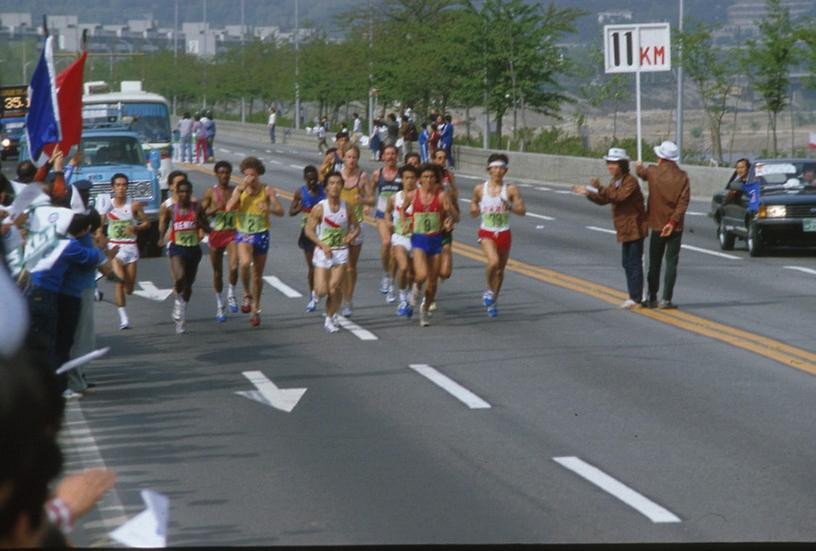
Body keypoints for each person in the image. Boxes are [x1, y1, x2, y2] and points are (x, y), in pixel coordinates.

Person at [572, 148, 646, 310]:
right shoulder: (616, 181)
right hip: (624, 228)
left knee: (633, 263)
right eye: (609, 163)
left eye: (614, 163)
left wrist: (598, 188)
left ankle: (636, 297)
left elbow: (617, 197)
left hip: (634, 227)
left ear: (622, 164)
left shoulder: (630, 182)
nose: (610, 166)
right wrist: (588, 192)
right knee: (627, 263)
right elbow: (605, 199)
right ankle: (633, 296)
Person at [226, 156, 284, 327]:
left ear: (258, 174)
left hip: (261, 233)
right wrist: (239, 192)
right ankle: (246, 293)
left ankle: (256, 309)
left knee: (258, 275)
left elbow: (281, 211)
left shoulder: (267, 190)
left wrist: (270, 209)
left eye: (253, 175)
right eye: (247, 175)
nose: (250, 179)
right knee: (244, 263)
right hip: (244, 233)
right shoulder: (239, 189)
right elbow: (228, 208)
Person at [469, 153, 526, 317]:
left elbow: (522, 211)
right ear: (489, 170)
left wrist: (510, 207)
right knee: (493, 262)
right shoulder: (480, 189)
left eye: (501, 168)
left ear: (506, 171)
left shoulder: (511, 189)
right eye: (495, 168)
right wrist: (474, 209)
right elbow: (473, 204)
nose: (498, 171)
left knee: (500, 271)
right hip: (487, 231)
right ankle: (488, 290)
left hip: (504, 232)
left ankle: (494, 300)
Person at [636, 140, 691, 309]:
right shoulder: (683, 176)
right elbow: (683, 202)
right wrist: (673, 221)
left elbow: (641, 173)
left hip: (657, 223)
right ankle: (666, 299)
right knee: (671, 262)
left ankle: (652, 296)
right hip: (675, 226)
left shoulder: (653, 172)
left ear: (660, 157)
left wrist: (638, 166)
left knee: (655, 262)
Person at [304, 172, 360, 333]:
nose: (335, 186)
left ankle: (329, 318)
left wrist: (350, 236)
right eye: (332, 183)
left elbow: (356, 227)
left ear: (342, 186)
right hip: (323, 252)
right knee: (323, 290)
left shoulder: (347, 207)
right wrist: (322, 244)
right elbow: (309, 230)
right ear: (327, 187)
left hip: (341, 252)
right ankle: (316, 293)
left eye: (338, 183)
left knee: (334, 287)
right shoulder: (320, 208)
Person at [97, 173, 150, 330]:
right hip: (116, 248)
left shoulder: (134, 205)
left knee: (129, 289)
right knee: (119, 283)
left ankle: (121, 297)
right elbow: (99, 229)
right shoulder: (108, 206)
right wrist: (103, 243)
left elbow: (147, 223)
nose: (121, 188)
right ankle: (124, 319)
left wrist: (137, 227)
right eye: (118, 185)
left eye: (124, 185)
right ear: (112, 188)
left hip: (131, 247)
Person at [158, 179, 211, 334]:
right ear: (176, 193)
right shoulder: (171, 209)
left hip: (194, 249)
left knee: (188, 285)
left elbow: (208, 228)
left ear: (190, 192)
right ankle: (178, 306)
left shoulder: (197, 208)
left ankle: (181, 310)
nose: (184, 194)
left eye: (187, 192)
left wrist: (200, 222)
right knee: (179, 277)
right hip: (177, 247)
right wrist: (161, 238)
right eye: (181, 192)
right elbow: (164, 224)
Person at [409, 163, 456, 327]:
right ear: (420, 179)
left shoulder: (442, 196)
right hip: (419, 239)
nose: (428, 180)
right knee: (421, 275)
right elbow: (401, 210)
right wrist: (405, 222)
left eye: (431, 177)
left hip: (436, 239)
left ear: (436, 179)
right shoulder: (414, 194)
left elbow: (453, 216)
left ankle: (424, 309)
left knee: (433, 281)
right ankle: (414, 291)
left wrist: (450, 218)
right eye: (425, 177)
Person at [201, 161, 239, 322]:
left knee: (234, 265)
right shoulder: (211, 192)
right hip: (216, 233)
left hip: (232, 233)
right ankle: (219, 305)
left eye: (227, 173)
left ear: (230, 174)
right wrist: (216, 209)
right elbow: (201, 214)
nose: (224, 176)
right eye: (221, 173)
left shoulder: (235, 191)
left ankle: (231, 294)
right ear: (216, 174)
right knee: (217, 272)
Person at [338, 145, 370, 317]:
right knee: (340, 265)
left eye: (354, 158)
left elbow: (372, 198)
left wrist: (364, 200)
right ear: (344, 158)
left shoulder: (363, 176)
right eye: (349, 157)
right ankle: (341, 296)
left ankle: (348, 299)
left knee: (351, 266)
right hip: (339, 225)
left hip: (356, 225)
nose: (351, 161)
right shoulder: (337, 175)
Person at [290, 165, 326, 312]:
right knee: (312, 267)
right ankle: (313, 295)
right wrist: (301, 207)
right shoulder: (301, 192)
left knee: (323, 266)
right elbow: (291, 211)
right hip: (307, 233)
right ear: (305, 179)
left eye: (314, 179)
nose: (312, 182)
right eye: (309, 179)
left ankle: (322, 291)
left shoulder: (324, 191)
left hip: (323, 232)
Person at [370, 144, 402, 303]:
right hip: (382, 214)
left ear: (397, 156)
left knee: (396, 251)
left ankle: (391, 281)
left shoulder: (403, 174)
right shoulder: (377, 174)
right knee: (386, 242)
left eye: (392, 154)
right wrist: (367, 205)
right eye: (387, 154)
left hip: (399, 216)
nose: (390, 157)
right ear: (382, 157)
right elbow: (371, 191)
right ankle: (386, 273)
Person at [385, 164, 418, 318]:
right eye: (406, 178)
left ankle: (410, 297)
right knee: (403, 267)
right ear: (402, 179)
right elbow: (387, 212)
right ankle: (402, 298)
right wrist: (388, 222)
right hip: (400, 237)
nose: (409, 181)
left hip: (417, 239)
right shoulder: (394, 198)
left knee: (413, 274)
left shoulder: (421, 197)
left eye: (412, 178)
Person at [432, 148, 459, 310]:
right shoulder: (428, 175)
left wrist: (454, 215)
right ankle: (431, 297)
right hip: (430, 225)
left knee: (446, 272)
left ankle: (439, 277)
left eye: (444, 158)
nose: (442, 161)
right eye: (439, 158)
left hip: (445, 223)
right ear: (434, 159)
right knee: (432, 265)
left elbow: (454, 196)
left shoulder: (449, 176)